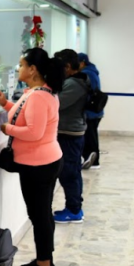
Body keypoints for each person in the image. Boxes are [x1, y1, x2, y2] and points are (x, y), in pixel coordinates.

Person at [0, 48, 64, 266]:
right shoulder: (40, 92)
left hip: (39, 165)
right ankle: (44, 260)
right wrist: (5, 104)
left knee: (40, 215)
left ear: (33, 69)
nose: (19, 68)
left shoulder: (39, 96)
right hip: (40, 162)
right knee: (40, 214)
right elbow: (23, 115)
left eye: (22, 65)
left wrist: (7, 129)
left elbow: (34, 132)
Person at [51, 49, 89, 224]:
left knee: (69, 173)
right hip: (69, 132)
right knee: (72, 171)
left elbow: (56, 104)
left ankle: (74, 210)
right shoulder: (73, 81)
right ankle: (74, 208)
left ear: (66, 67)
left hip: (70, 134)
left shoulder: (74, 84)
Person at [78, 53, 103, 169]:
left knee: (90, 137)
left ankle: (93, 161)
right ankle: (92, 159)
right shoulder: (92, 71)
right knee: (91, 136)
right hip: (95, 111)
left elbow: (87, 92)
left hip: (91, 112)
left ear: (82, 63)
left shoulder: (86, 74)